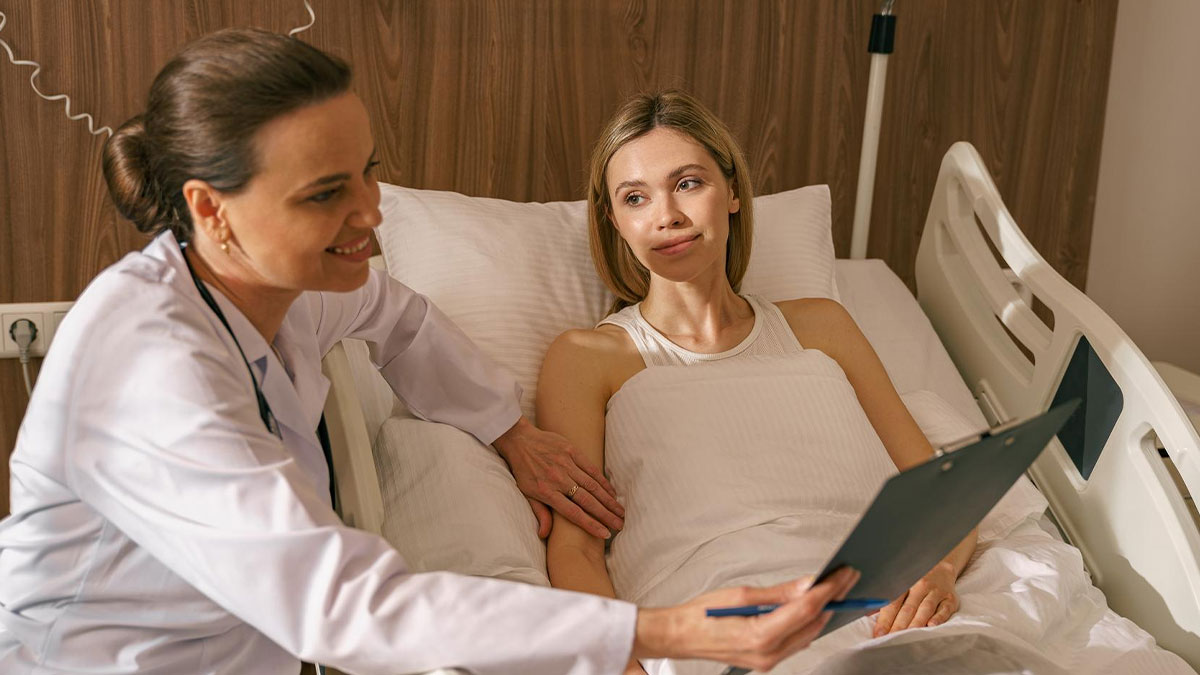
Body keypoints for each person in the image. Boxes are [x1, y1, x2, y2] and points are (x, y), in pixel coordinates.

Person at [0, 30, 859, 675]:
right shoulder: (151, 368)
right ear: (211, 209)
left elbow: (401, 318)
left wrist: (508, 433)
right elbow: (343, 604)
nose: (372, 212)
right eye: (327, 192)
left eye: (369, 172)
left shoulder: (291, 290)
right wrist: (663, 629)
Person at [538, 90, 978, 674]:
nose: (666, 214)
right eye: (636, 198)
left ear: (734, 192)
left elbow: (937, 488)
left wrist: (938, 569)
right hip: (722, 622)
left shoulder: (822, 325)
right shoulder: (587, 357)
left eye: (688, 183)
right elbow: (575, 549)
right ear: (615, 222)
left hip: (879, 603)